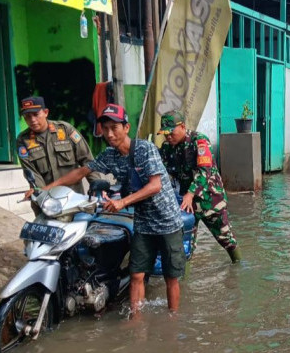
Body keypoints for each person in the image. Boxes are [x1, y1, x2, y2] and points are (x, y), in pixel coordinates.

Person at [38, 104, 186, 314]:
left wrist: (122, 202)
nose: (109, 133)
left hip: (167, 221)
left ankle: (173, 320)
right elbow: (81, 172)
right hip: (143, 222)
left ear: (126, 128)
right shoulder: (109, 155)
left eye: (114, 127)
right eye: (105, 128)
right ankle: (137, 322)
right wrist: (46, 189)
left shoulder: (145, 149)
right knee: (136, 275)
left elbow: (155, 185)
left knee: (171, 277)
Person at [158, 110, 241, 263]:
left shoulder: (199, 141)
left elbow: (205, 172)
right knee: (185, 245)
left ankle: (239, 267)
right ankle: (183, 280)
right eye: (165, 134)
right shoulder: (167, 147)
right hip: (186, 204)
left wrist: (190, 194)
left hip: (210, 199)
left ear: (182, 126)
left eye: (171, 133)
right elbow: (162, 174)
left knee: (226, 239)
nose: (168, 137)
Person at [16, 96, 96, 195]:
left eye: (36, 114)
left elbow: (88, 160)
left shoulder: (66, 130)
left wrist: (96, 186)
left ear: (46, 112)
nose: (32, 120)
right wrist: (43, 196)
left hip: (74, 197)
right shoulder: (23, 140)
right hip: (47, 201)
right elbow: (32, 174)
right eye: (27, 116)